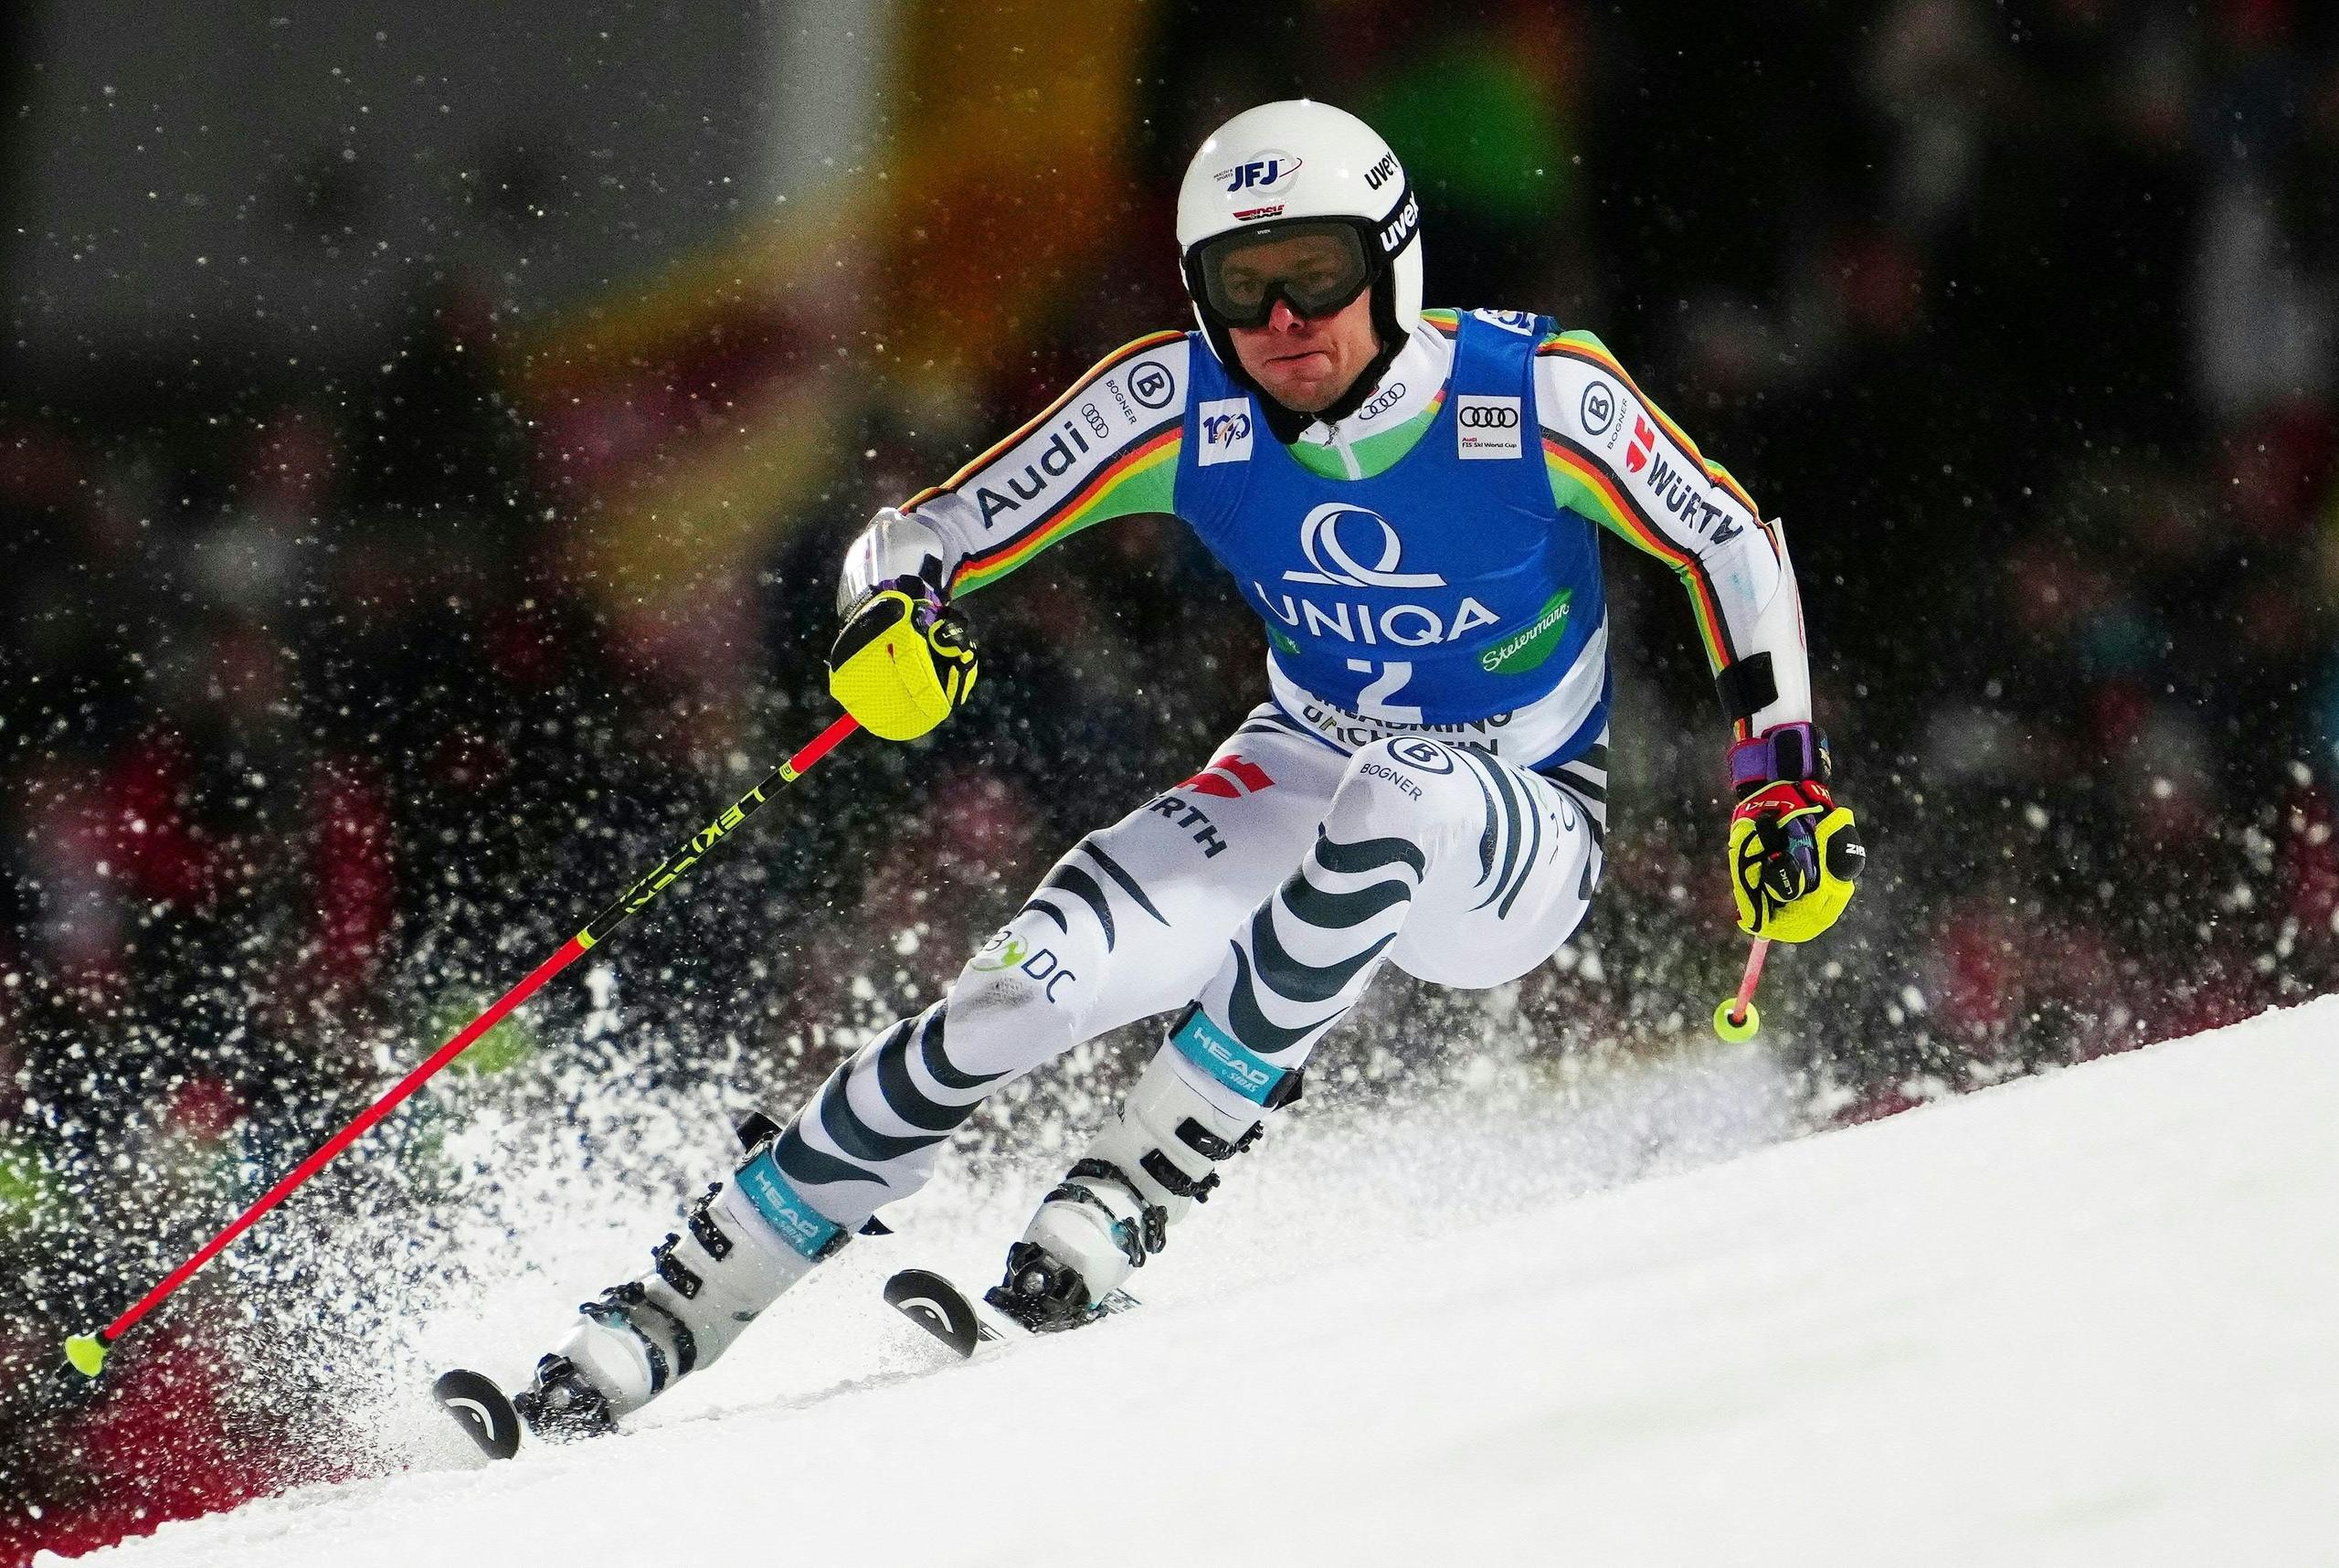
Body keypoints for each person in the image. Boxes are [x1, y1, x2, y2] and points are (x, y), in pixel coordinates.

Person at [504, 100, 1864, 1436]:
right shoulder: (1178, 400)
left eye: (1318, 277)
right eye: (1244, 286)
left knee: (1404, 795)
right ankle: (677, 1304)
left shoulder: (1533, 394)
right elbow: (920, 534)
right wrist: (889, 616)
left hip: (1513, 829)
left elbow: (1730, 540)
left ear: (1395, 263)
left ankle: (1136, 1181)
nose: (1283, 323)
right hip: (1303, 764)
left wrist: (1779, 777)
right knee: (1024, 987)